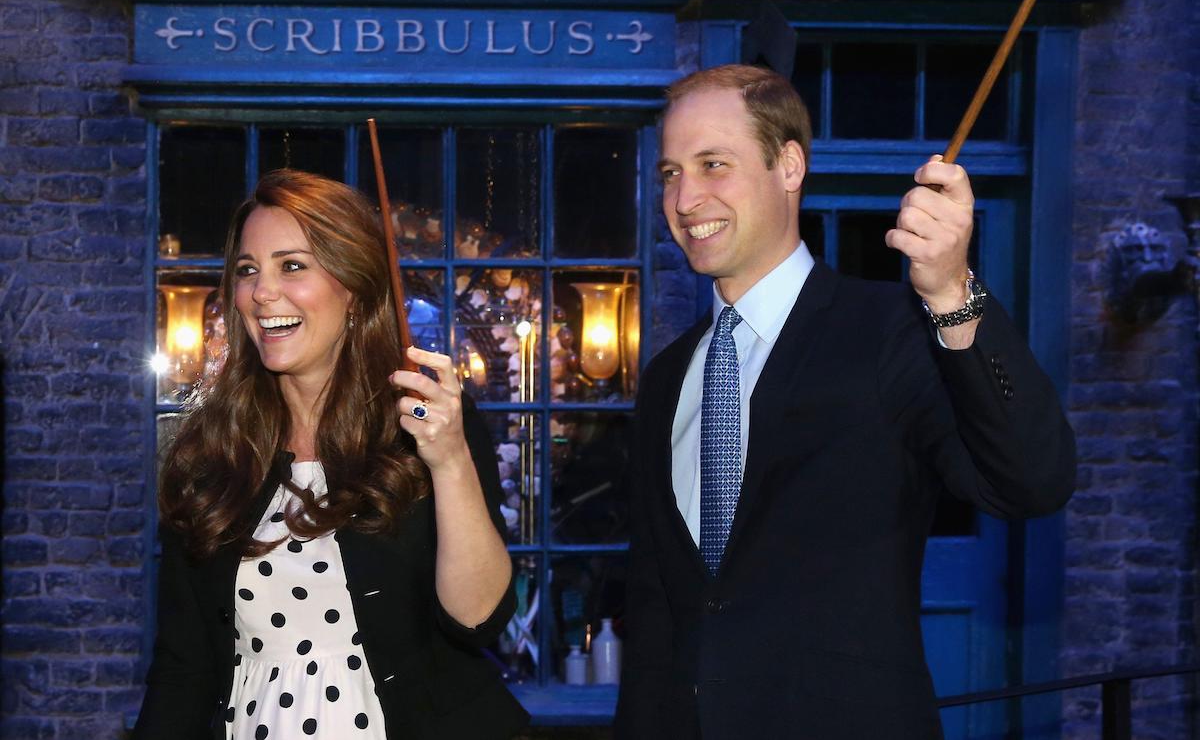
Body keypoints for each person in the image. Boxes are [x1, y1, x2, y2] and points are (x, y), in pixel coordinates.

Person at [614, 64, 1075, 739]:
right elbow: (657, 611)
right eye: (670, 173)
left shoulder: (889, 331)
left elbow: (1033, 479)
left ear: (789, 165)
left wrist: (953, 296)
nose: (685, 199)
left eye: (713, 165)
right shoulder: (666, 377)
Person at [134, 170, 529, 740]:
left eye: (292, 266)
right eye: (247, 270)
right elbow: (182, 667)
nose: (262, 292)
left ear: (354, 288)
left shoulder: (424, 424)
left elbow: (477, 620)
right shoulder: (212, 449)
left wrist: (449, 461)